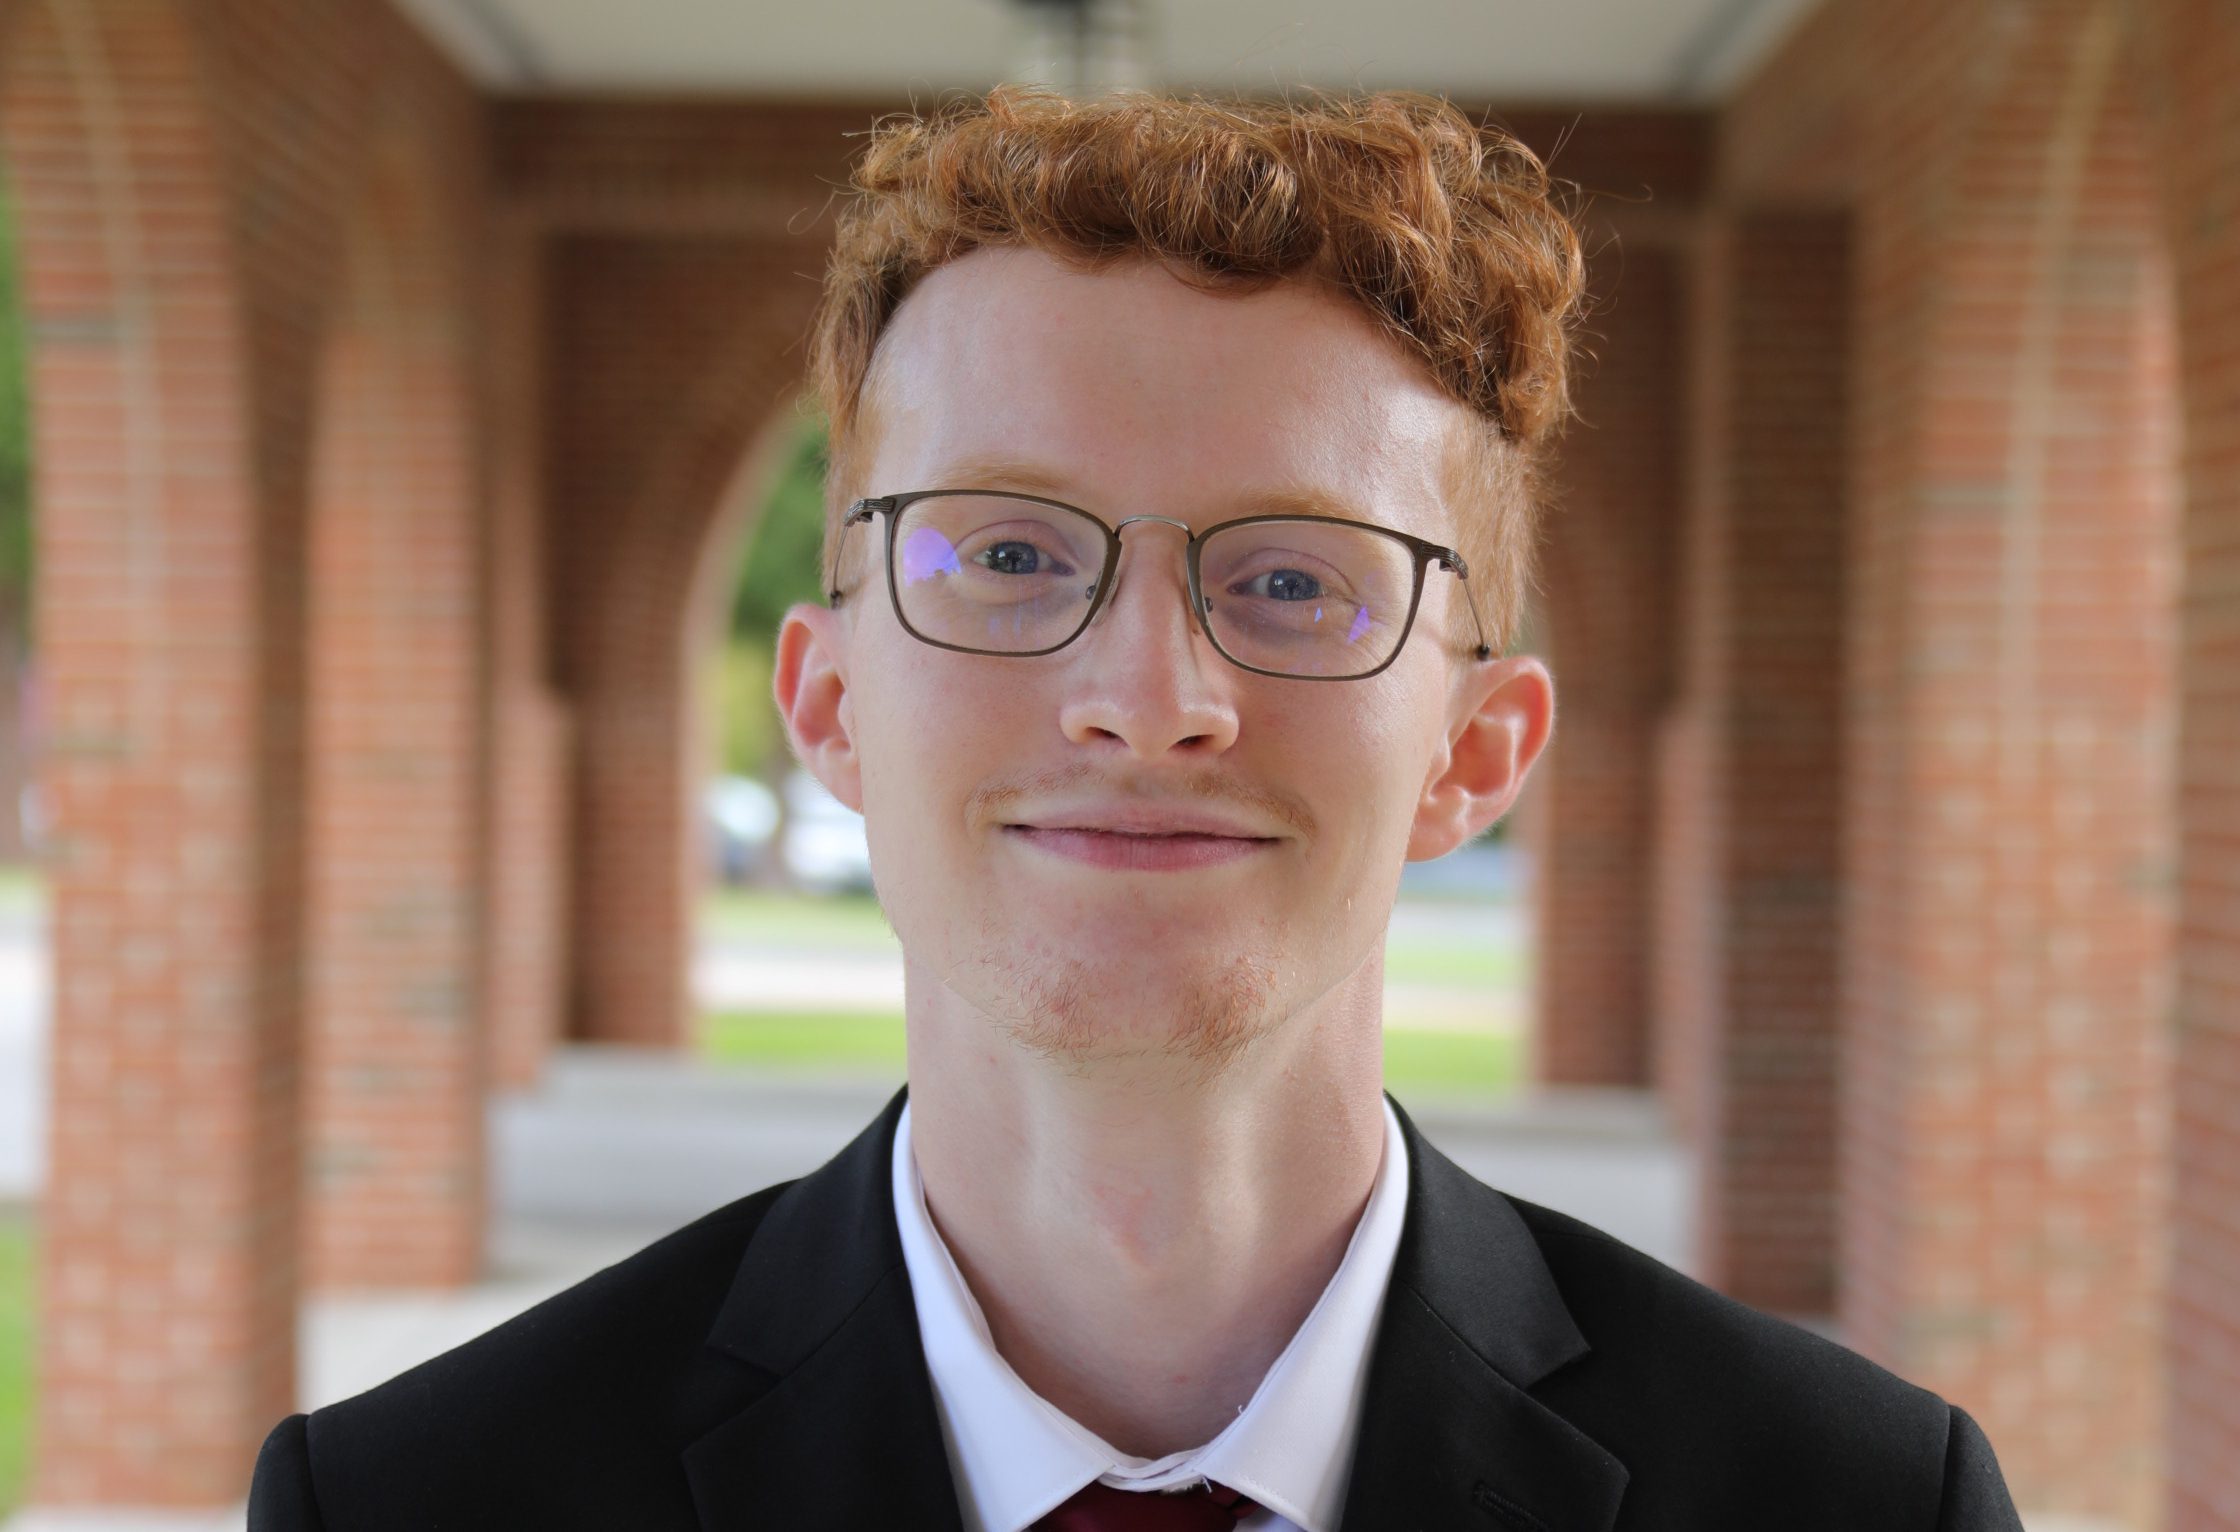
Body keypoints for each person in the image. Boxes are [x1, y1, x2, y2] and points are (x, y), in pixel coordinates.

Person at [248, 84, 2025, 1531]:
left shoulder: (1856, 1504)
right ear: (832, 701)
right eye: (1010, 553)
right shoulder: (423, 1501)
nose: (1150, 698)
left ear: (1476, 755)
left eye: (1296, 581)